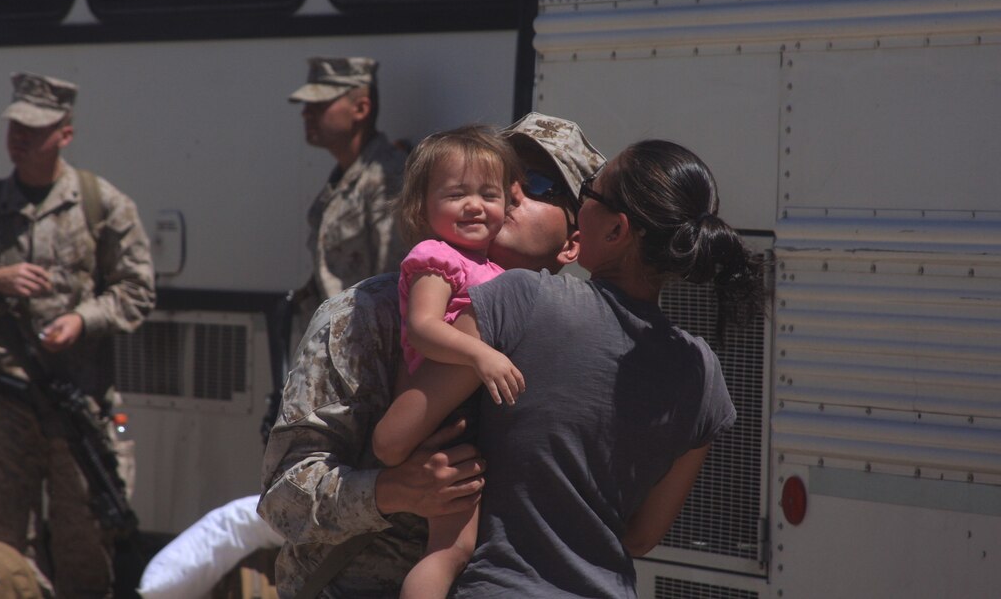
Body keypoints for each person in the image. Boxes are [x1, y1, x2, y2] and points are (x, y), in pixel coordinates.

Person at [386, 138, 766, 598]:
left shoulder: (524, 301)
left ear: (615, 231)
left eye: (589, 193)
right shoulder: (703, 374)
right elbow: (642, 537)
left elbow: (393, 438)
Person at [258, 113, 605, 598]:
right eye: (504, 177)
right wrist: (395, 490)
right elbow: (282, 499)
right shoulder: (365, 316)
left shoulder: (580, 339)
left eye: (539, 184)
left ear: (573, 242)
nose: (510, 194)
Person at [0, 72, 156, 598]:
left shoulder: (102, 204)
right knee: (4, 557)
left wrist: (83, 319)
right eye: (15, 125)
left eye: (34, 127)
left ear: (64, 134)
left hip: (76, 408)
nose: (19, 136)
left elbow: (137, 291)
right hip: (0, 413)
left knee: (85, 552)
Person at [370, 125, 524, 599]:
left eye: (488, 194)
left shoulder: (496, 268)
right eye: (457, 194)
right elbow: (423, 327)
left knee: (465, 547)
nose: (475, 205)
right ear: (421, 207)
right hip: (442, 416)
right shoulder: (436, 257)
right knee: (447, 551)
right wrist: (482, 355)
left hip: (474, 414)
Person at [287, 56, 408, 349]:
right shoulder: (344, 177)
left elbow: (393, 283)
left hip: (363, 348)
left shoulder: (386, 177)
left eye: (319, 105)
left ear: (361, 109)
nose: (306, 114)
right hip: (335, 343)